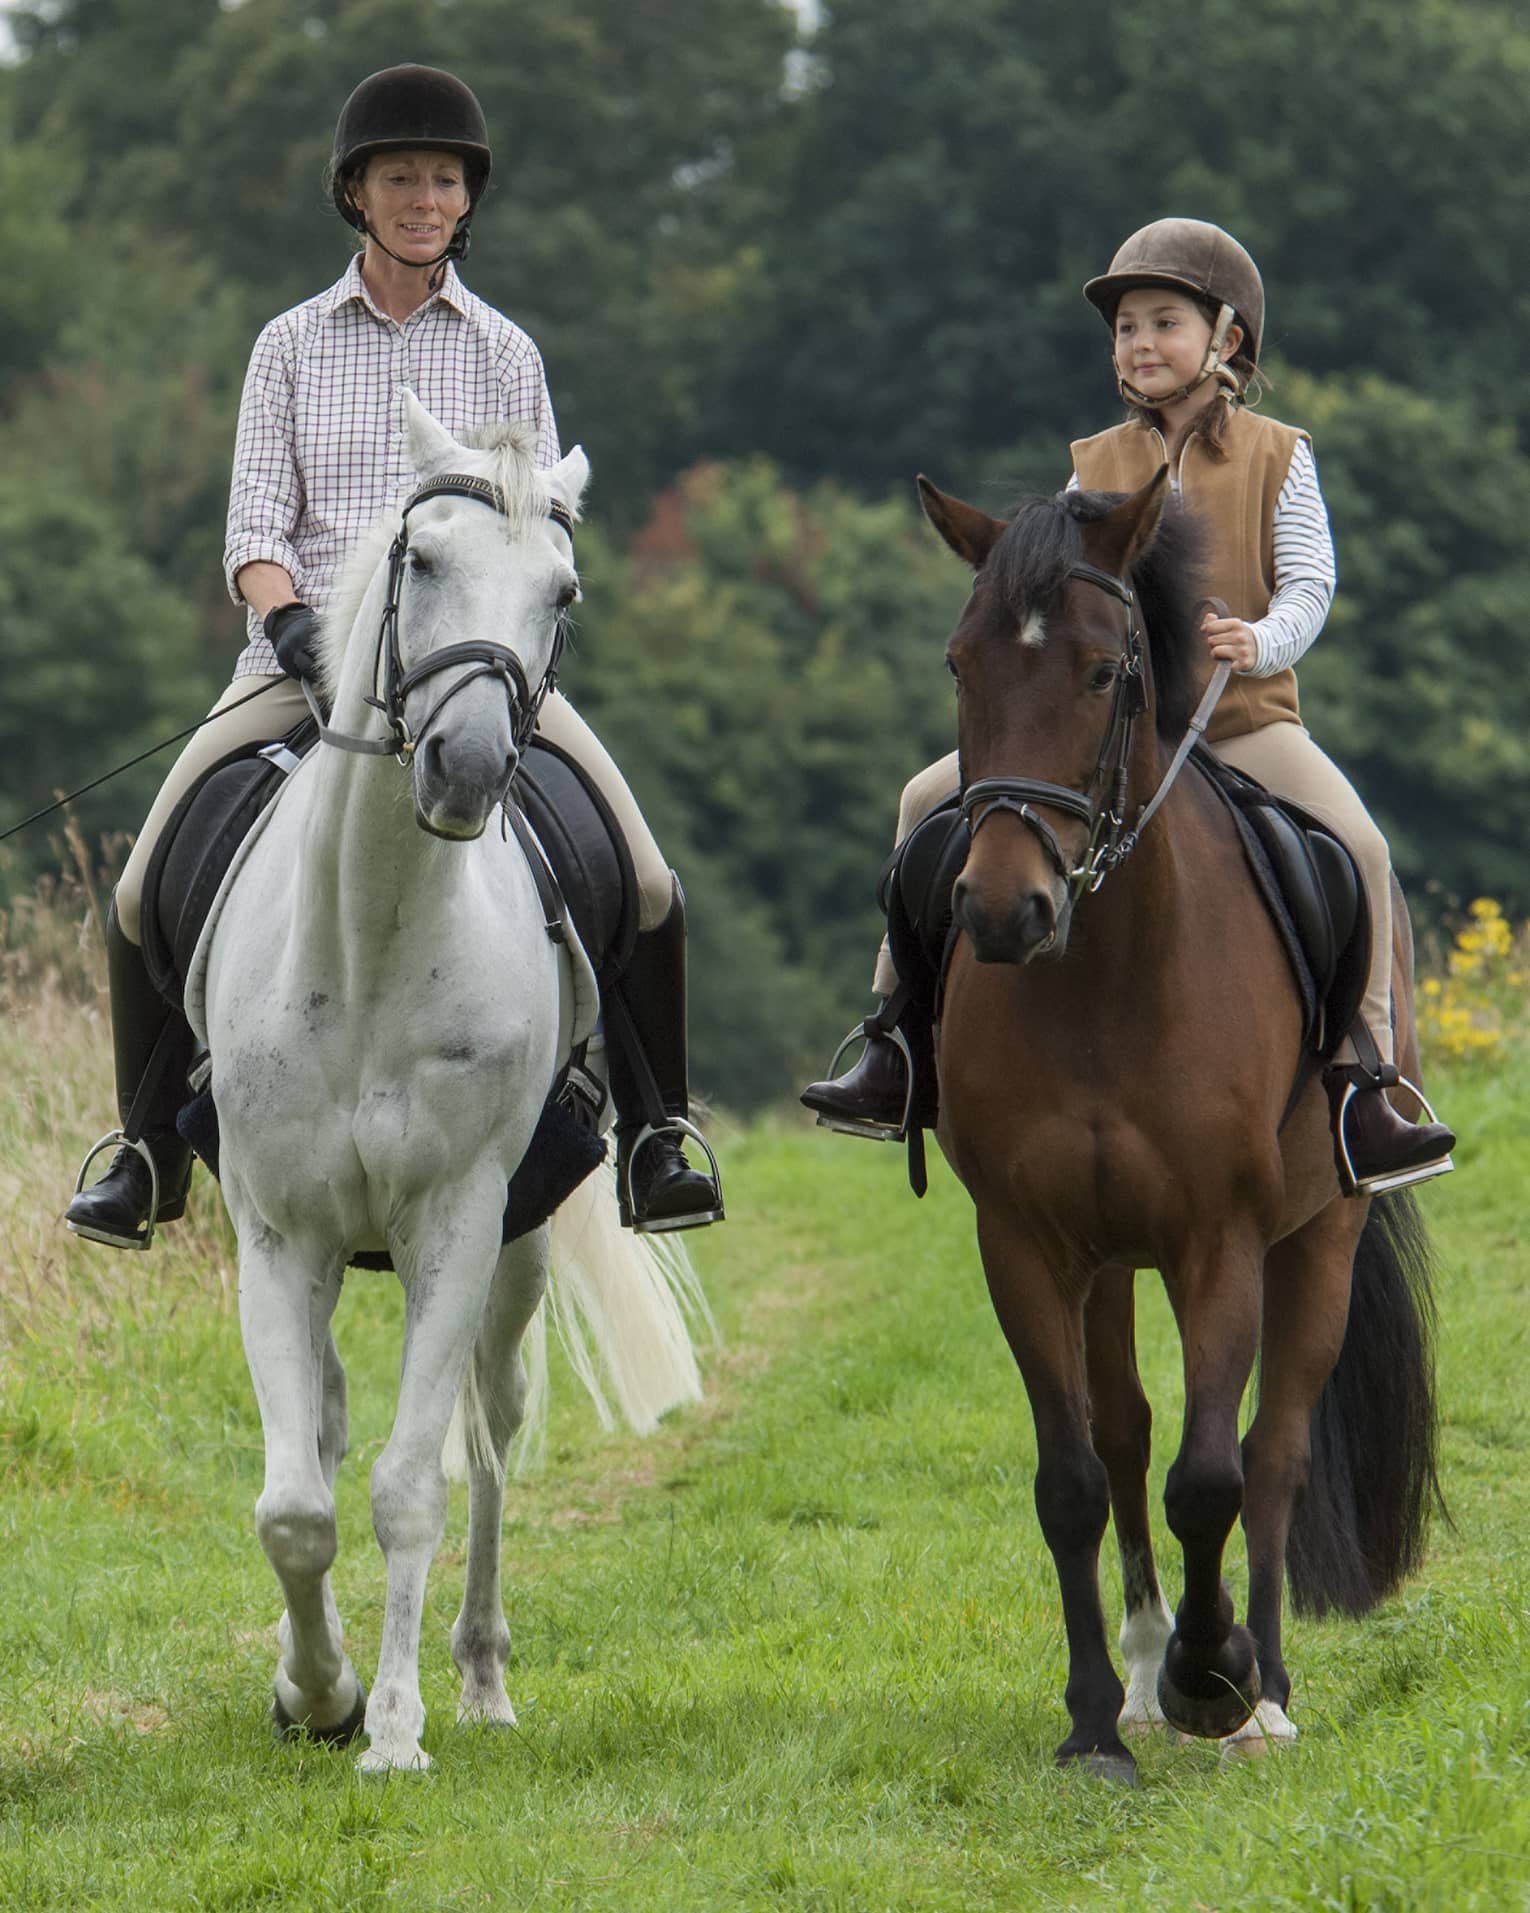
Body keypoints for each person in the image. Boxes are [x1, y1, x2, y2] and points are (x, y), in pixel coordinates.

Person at [66, 63, 722, 1248]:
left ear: (468, 200)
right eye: (400, 177)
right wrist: (299, 629)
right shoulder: (289, 345)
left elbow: (540, 527)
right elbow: (254, 530)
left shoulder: (507, 353)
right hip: (300, 662)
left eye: (444, 179)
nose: (424, 196)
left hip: (472, 674)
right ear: (355, 194)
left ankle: (656, 1136)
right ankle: (145, 1147)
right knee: (136, 887)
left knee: (653, 880)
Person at [803, 216, 1454, 1197]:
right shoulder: (1093, 463)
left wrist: (1259, 640)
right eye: (1125, 329)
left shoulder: (1281, 454)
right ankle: (893, 1045)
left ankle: (1369, 1084)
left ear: (1226, 338)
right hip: (1112, 739)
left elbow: (1313, 584)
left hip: (1249, 727)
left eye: (1162, 323)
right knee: (916, 802)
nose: (1139, 344)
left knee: (1362, 848)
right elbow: (1046, 585)